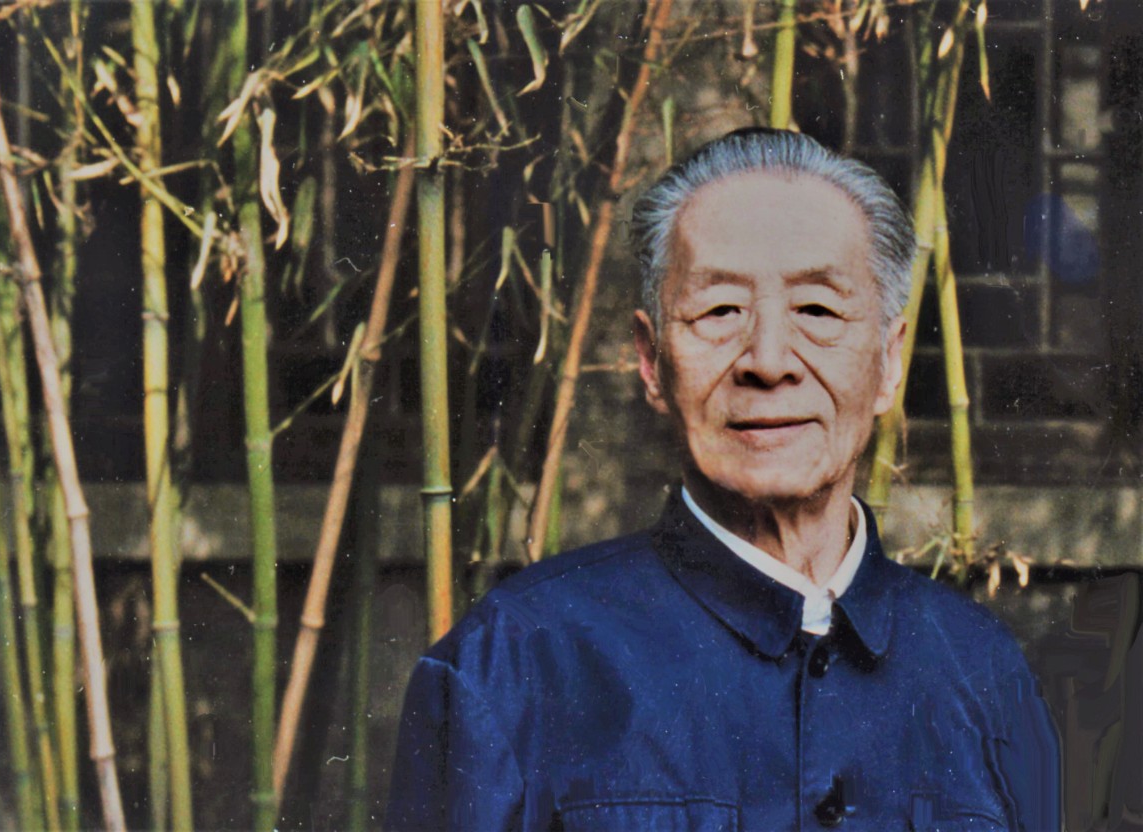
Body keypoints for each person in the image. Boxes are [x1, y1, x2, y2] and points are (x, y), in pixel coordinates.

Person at [385, 128, 1061, 831]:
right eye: (718, 312)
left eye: (818, 311)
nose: (768, 361)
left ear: (889, 362)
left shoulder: (983, 673)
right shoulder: (510, 666)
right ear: (651, 362)